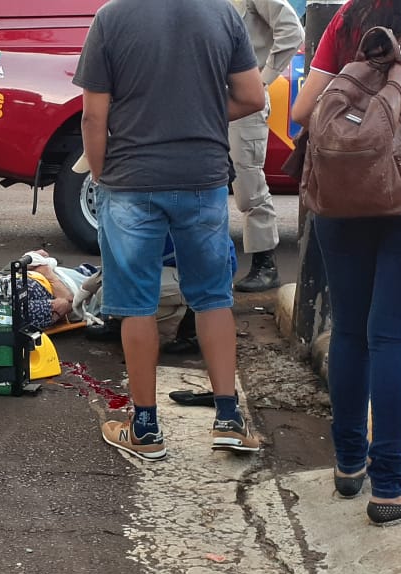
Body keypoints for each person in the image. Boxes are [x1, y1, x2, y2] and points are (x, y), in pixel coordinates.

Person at [290, 0, 401, 525]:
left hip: (342, 192)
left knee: (350, 332)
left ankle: (348, 465)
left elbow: (302, 112)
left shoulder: (351, 15)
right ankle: (390, 486)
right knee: (395, 339)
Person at [75, 0, 266, 461]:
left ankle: (144, 427)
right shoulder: (220, 15)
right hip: (202, 177)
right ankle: (228, 419)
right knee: (212, 296)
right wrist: (197, 116)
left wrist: (101, 175)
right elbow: (253, 95)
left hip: (130, 179)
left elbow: (93, 116)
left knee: (137, 304)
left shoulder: (112, 17)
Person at [229, 0, 304, 293]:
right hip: (211, 97)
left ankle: (265, 264)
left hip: (244, 100)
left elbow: (291, 31)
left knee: (248, 180)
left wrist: (263, 80)